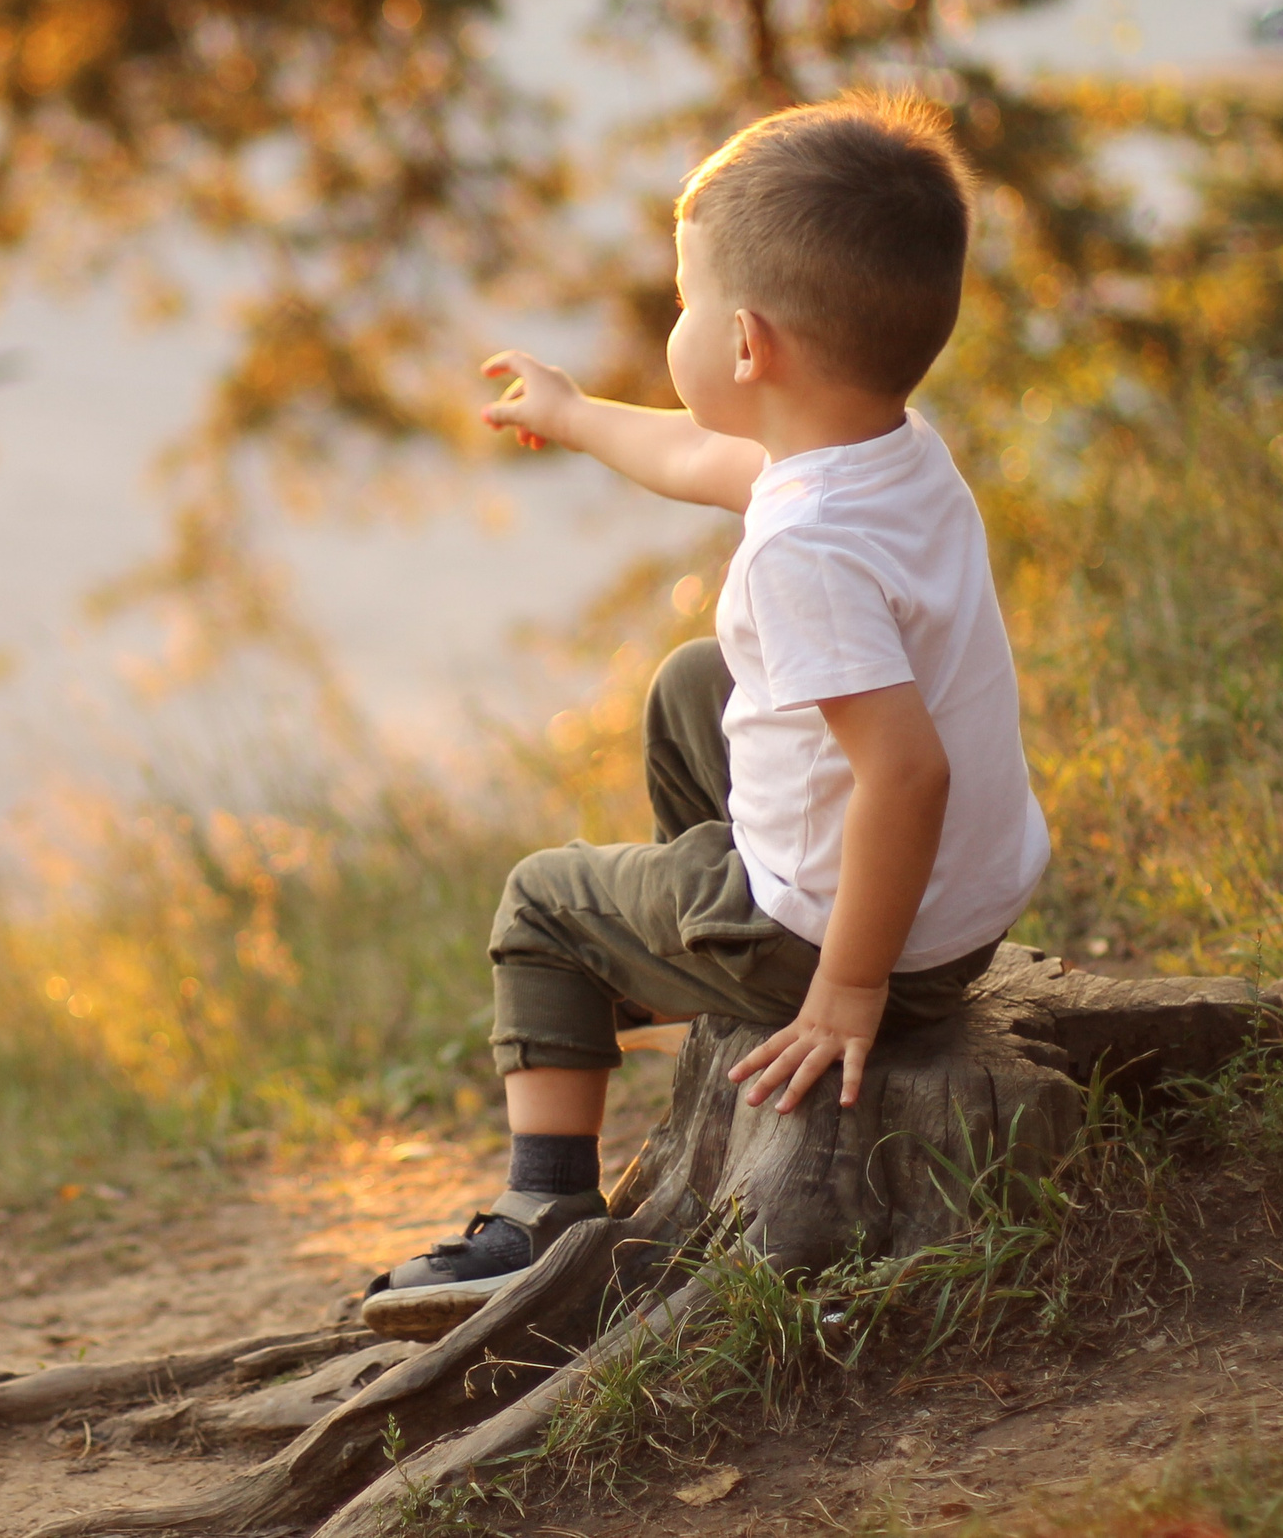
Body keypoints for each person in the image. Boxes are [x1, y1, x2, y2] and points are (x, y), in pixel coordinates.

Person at [360, 92, 1052, 1343]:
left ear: (745, 346)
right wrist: (569, 417)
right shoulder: (890, 450)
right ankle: (725, 921)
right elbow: (695, 457)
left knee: (542, 905)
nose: (667, 325)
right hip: (959, 906)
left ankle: (545, 1213)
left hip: (867, 950)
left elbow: (905, 777)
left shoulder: (805, 547)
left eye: (680, 303)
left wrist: (843, 995)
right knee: (697, 682)